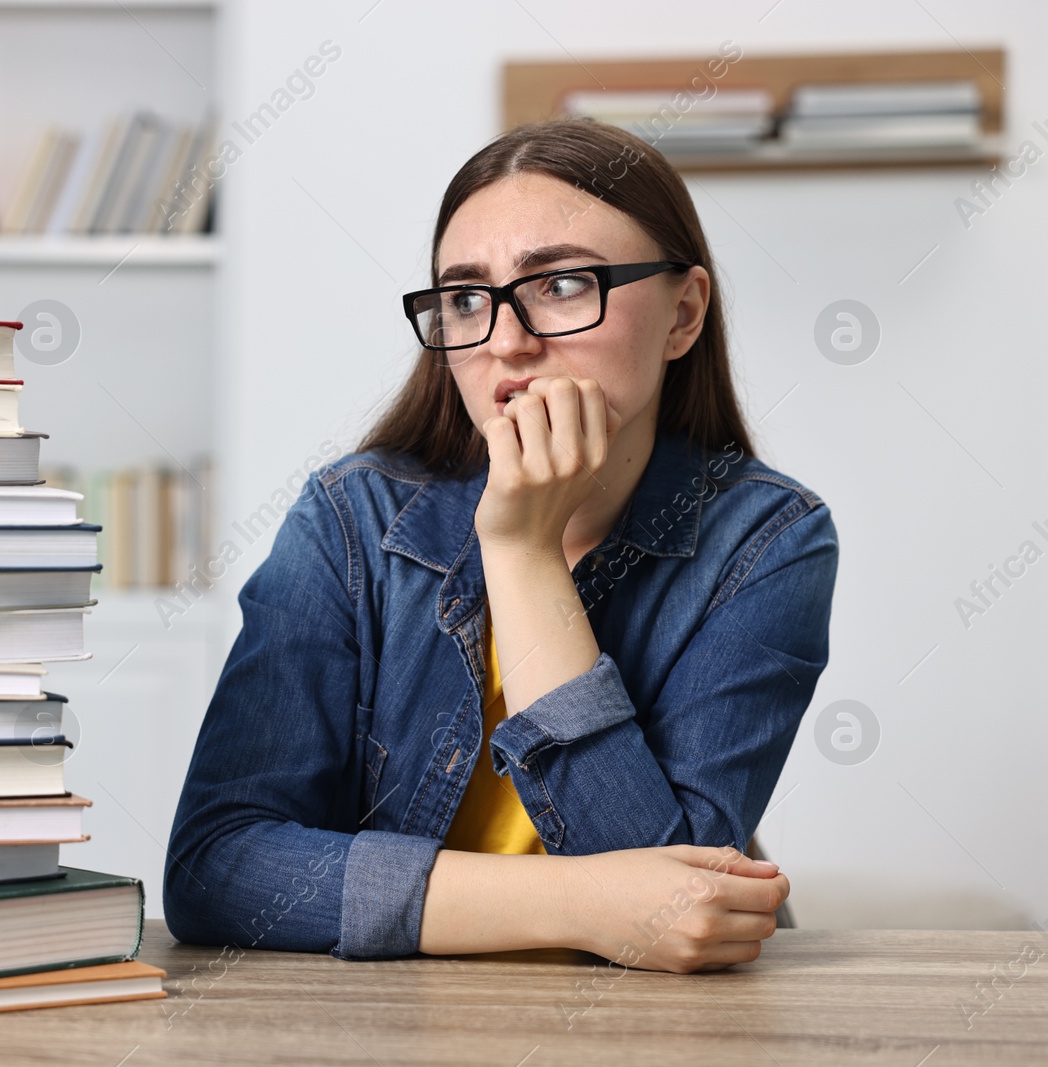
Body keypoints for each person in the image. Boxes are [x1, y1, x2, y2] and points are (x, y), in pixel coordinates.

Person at [163, 119, 838, 973]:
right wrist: (587, 902)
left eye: (560, 283)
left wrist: (523, 552)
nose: (507, 341)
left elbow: (668, 920)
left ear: (684, 313)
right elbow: (215, 867)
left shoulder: (769, 540)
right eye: (467, 298)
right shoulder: (351, 518)